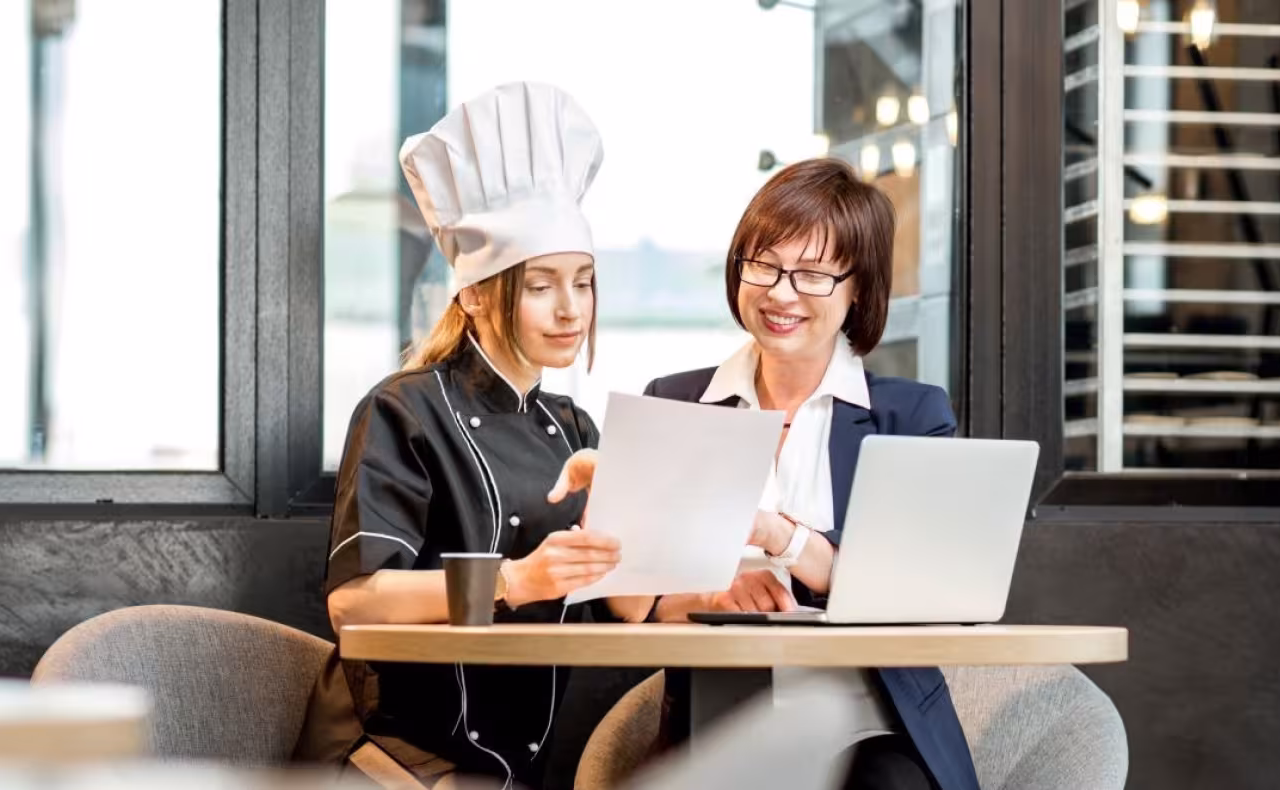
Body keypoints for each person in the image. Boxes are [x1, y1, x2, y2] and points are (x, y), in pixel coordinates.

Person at [564, 158, 975, 790]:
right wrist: (702, 593)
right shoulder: (675, 401)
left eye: (812, 274)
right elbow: (630, 608)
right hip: (714, 724)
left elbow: (919, 596)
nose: (781, 294)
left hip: (872, 728)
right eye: (764, 265)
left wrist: (779, 536)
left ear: (858, 287)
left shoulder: (910, 415)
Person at [323, 81, 654, 790]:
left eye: (584, 282)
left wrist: (645, 507)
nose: (571, 310)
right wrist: (515, 579)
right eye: (540, 286)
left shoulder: (575, 428)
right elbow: (353, 601)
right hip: (398, 757)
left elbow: (626, 609)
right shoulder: (402, 410)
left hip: (531, 762)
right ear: (472, 293)